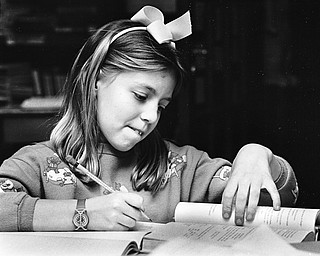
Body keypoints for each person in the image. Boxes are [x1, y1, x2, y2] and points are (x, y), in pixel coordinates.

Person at [0, 6, 298, 232]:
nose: (151, 116)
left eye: (162, 105)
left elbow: (278, 197)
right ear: (95, 81)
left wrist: (256, 156)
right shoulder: (40, 163)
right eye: (141, 96)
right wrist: (85, 214)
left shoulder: (182, 167)